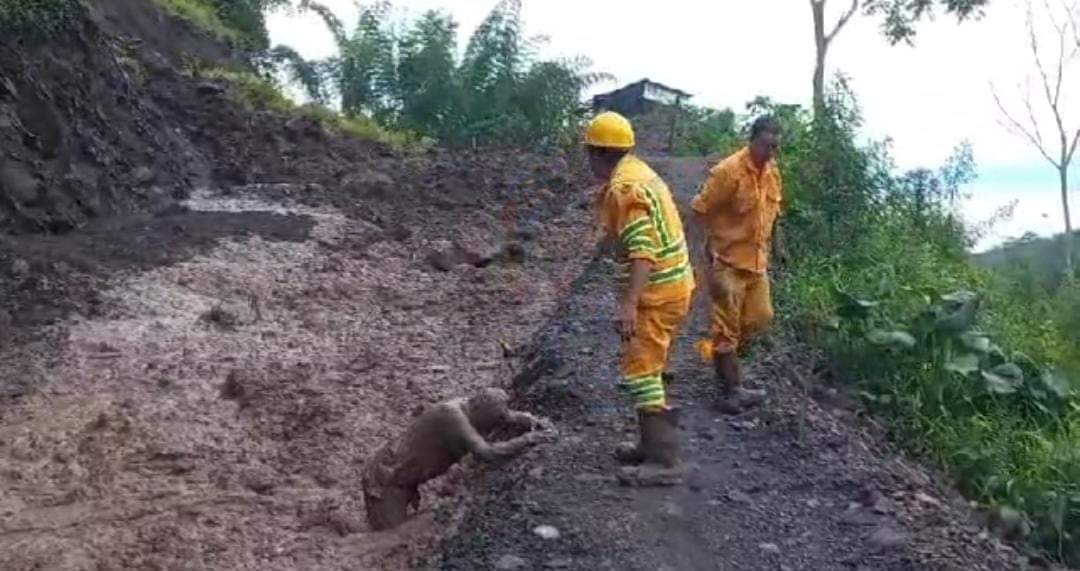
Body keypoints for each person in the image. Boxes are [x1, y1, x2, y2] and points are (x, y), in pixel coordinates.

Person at [585, 111, 695, 484]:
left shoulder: (624, 189)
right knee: (650, 364)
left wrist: (629, 303)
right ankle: (649, 445)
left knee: (642, 370)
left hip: (658, 292)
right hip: (676, 282)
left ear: (598, 153)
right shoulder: (640, 173)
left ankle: (665, 462)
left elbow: (643, 251)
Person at [691, 116, 784, 414]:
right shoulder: (728, 172)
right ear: (753, 139)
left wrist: (779, 249)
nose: (771, 152)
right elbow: (700, 210)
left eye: (776, 147)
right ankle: (731, 392)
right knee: (726, 329)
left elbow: (775, 214)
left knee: (760, 318)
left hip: (757, 263)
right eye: (767, 145)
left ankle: (723, 362)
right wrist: (697, 257)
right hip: (726, 262)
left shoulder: (772, 173)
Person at [362, 388, 554, 530]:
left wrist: (529, 420)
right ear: (482, 413)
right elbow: (487, 454)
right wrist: (529, 439)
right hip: (386, 481)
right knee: (390, 537)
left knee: (399, 531)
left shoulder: (470, 406)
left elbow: (505, 415)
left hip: (404, 477)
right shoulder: (453, 417)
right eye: (491, 422)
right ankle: (340, 531)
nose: (490, 427)